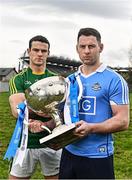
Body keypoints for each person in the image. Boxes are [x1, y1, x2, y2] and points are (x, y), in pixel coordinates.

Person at [59, 28, 129, 179]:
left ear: (101, 47)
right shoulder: (70, 80)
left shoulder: (114, 80)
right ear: (76, 48)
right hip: (69, 152)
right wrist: (42, 123)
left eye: (91, 46)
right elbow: (62, 115)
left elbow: (123, 121)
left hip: (97, 155)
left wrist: (91, 128)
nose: (86, 51)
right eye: (82, 47)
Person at [8, 35, 62, 179]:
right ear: (29, 51)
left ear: (48, 53)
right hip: (26, 143)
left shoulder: (56, 79)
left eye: (43, 51)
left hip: (52, 141)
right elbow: (18, 110)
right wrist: (42, 109)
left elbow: (61, 111)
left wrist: (46, 122)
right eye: (36, 50)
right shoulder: (18, 79)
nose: (40, 54)